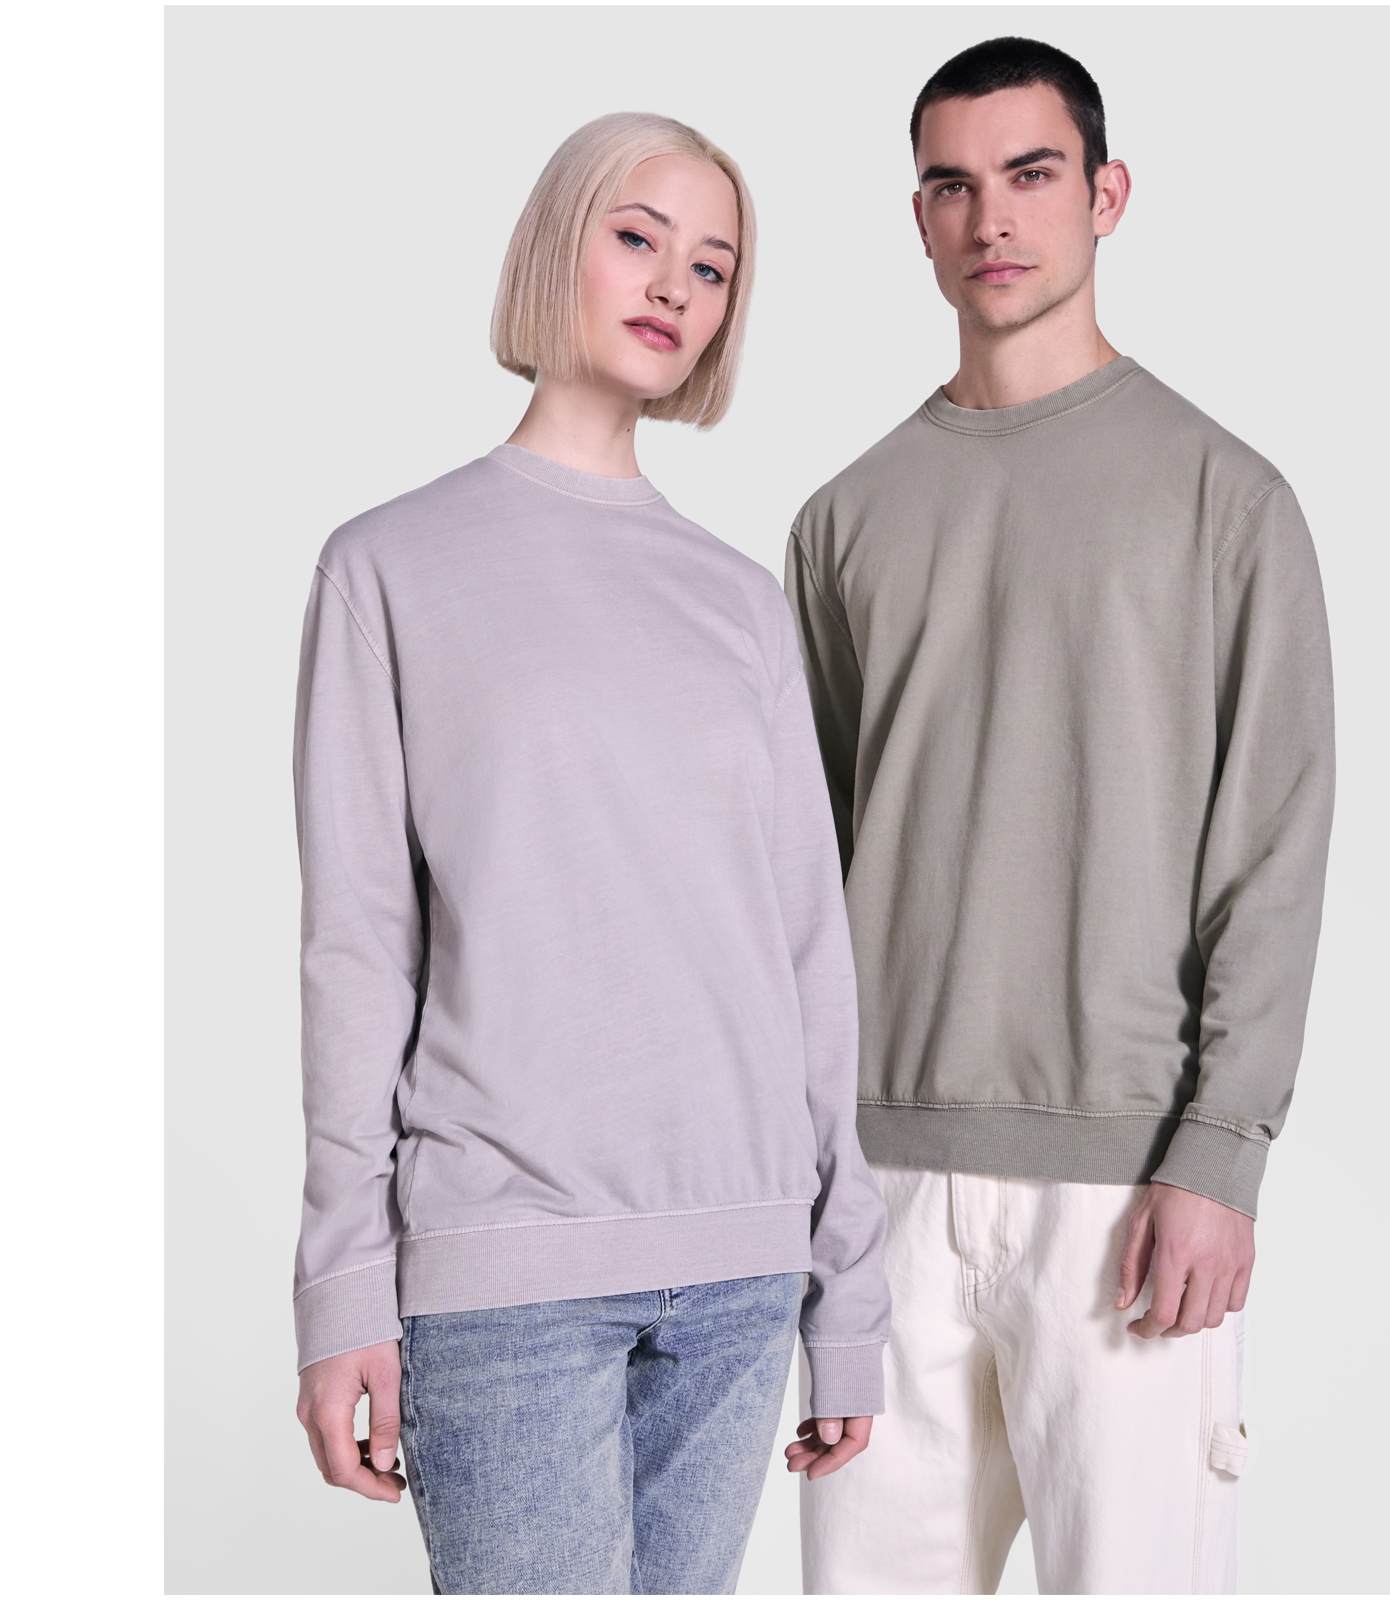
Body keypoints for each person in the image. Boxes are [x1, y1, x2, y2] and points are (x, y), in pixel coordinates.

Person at [290, 111, 890, 1596]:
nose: (675, 284)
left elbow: (808, 951)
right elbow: (359, 949)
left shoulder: (742, 601)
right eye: (638, 237)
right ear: (557, 242)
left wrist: (848, 1290)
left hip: (743, 1270)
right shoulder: (388, 566)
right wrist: (342, 1284)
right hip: (509, 1276)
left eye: (714, 266)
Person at [783, 37, 1335, 1596]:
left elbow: (1275, 849)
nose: (993, 219)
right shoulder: (843, 520)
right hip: (879, 1187)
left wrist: (1218, 1155)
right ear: (919, 219)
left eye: (1031, 175)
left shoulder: (1227, 499)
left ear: (1107, 194)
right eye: (952, 187)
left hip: (1126, 1182)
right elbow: (801, 876)